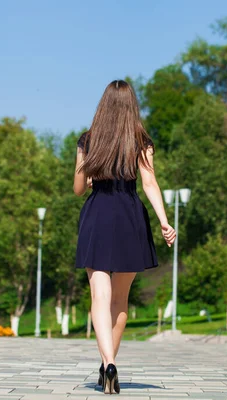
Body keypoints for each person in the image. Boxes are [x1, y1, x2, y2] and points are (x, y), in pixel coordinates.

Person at [73, 79, 176, 394]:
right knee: (119, 300)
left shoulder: (88, 141)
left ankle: (108, 364)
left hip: (98, 216)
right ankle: (109, 364)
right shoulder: (141, 140)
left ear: (103, 105)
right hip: (130, 216)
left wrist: (89, 179)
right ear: (133, 106)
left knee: (99, 297)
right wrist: (164, 222)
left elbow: (78, 189)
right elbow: (149, 183)